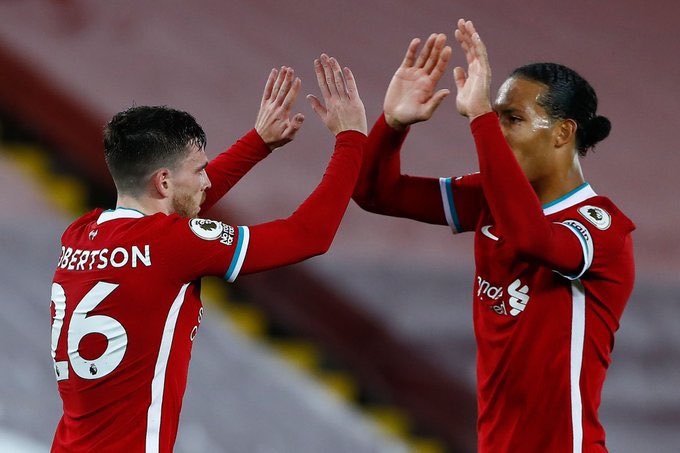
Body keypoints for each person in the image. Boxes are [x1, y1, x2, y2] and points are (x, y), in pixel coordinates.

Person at [49, 54, 367, 452]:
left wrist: (258, 143)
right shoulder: (173, 245)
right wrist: (352, 139)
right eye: (198, 170)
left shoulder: (80, 235)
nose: (206, 181)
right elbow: (308, 235)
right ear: (163, 182)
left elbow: (175, 217)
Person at [353, 20, 635, 452]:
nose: (498, 132)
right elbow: (376, 193)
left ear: (563, 132)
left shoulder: (602, 228)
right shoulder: (492, 197)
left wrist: (481, 118)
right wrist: (392, 125)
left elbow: (532, 240)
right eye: (497, 117)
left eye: (513, 119)